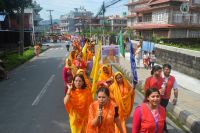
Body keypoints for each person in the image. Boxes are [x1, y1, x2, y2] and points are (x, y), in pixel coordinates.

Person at [161, 64, 178, 132]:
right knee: (161, 112)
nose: (166, 70)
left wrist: (175, 98)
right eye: (165, 69)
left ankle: (163, 128)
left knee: (162, 111)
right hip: (157, 98)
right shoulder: (160, 77)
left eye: (167, 69)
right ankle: (162, 127)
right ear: (163, 70)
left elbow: (175, 89)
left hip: (165, 99)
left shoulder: (172, 78)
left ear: (170, 70)